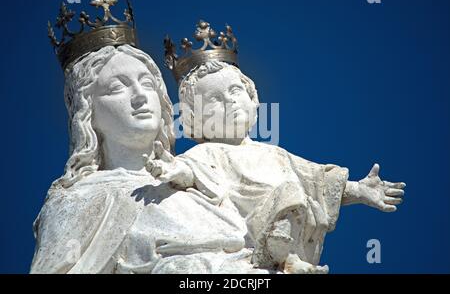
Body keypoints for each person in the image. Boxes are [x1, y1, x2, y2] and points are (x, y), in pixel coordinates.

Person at [145, 60, 406, 273]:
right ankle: (284, 257)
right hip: (250, 231)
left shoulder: (275, 153)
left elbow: (317, 180)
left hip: (292, 222)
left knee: (294, 190)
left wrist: (359, 190)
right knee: (290, 191)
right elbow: (192, 172)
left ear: (252, 97)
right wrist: (174, 169)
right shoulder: (206, 151)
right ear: (194, 118)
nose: (229, 101)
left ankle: (289, 256)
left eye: (235, 91)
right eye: (213, 99)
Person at [31, 46, 264, 274]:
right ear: (87, 113)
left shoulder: (201, 184)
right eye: (116, 88)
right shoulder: (75, 201)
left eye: (147, 84)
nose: (140, 96)